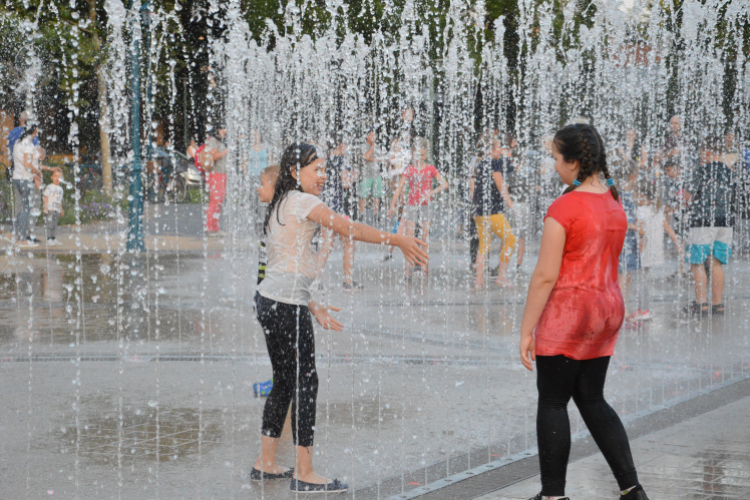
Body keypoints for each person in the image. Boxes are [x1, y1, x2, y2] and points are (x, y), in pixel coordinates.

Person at [253, 143, 427, 493]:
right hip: (285, 306)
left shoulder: (281, 205)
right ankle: (305, 471)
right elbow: (349, 229)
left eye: (323, 169)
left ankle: (266, 462)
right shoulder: (302, 202)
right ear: (294, 173)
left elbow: (282, 267)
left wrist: (311, 303)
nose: (323, 175)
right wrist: (396, 240)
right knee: (305, 381)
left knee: (284, 381)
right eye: (316, 169)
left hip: (270, 301)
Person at [520, 123, 649, 500]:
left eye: (556, 159)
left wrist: (527, 330)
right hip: (607, 309)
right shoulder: (613, 200)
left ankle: (553, 496)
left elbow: (545, 275)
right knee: (592, 398)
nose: (554, 165)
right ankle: (632, 489)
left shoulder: (564, 207)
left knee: (554, 400)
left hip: (570, 311)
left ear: (574, 162)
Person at [683, 135, 736, 315]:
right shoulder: (730, 172)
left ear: (706, 152)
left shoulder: (701, 171)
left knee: (697, 262)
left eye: (701, 153)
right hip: (725, 222)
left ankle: (701, 304)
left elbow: (687, 197)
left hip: (703, 221)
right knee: (716, 262)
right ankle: (717, 304)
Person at [388, 137, 447, 277]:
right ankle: (408, 268)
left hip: (426, 206)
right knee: (409, 238)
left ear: (424, 156)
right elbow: (399, 188)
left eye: (421, 155)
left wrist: (431, 192)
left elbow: (445, 184)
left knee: (424, 238)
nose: (418, 157)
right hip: (411, 206)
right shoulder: (409, 170)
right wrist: (392, 205)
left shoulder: (430, 169)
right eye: (416, 155)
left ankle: (423, 268)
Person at [470, 132, 516, 289]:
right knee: (510, 239)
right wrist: (510, 204)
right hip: (492, 211)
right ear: (491, 149)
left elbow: (475, 187)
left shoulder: (480, 163)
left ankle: (479, 282)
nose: (501, 151)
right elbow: (500, 184)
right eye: (499, 148)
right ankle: (502, 277)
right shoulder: (494, 163)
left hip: (479, 211)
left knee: (483, 245)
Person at [319, 139, 361, 291]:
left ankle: (315, 280)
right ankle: (348, 282)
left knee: (327, 244)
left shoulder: (325, 161)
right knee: (349, 242)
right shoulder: (341, 161)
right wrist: (355, 175)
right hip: (339, 210)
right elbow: (346, 183)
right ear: (341, 145)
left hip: (325, 207)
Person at [252, 164, 280, 398]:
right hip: (266, 287)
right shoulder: (272, 212)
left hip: (275, 291)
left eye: (263, 184)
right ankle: (279, 378)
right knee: (274, 339)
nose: (258, 188)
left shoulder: (280, 216)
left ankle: (281, 382)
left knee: (279, 340)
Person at [11, 125, 42, 247]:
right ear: (34, 130)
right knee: (26, 208)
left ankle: (13, 233)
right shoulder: (28, 145)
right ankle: (22, 238)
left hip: (17, 178)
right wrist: (37, 172)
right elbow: (27, 164)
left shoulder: (18, 142)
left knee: (24, 208)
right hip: (25, 179)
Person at [205, 127, 229, 236]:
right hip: (216, 174)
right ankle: (209, 227)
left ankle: (216, 227)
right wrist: (226, 151)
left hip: (223, 174)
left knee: (219, 200)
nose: (225, 131)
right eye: (223, 129)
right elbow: (213, 156)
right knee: (214, 200)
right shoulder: (212, 140)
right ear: (217, 129)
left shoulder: (221, 141)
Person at [358, 129, 383, 219]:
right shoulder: (363, 146)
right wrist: (372, 147)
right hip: (366, 174)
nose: (374, 138)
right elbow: (366, 157)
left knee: (377, 195)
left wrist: (373, 158)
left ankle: (376, 214)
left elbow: (380, 158)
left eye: (374, 136)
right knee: (363, 195)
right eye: (372, 136)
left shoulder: (378, 147)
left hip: (376, 174)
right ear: (367, 136)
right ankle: (361, 213)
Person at [43, 168, 64, 246]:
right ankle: (48, 239)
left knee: (54, 225)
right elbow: (46, 198)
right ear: (51, 177)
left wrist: (61, 210)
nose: (57, 178)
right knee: (49, 225)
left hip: (57, 210)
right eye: (55, 176)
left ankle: (53, 238)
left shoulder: (61, 189)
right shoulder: (49, 187)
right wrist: (45, 208)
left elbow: (60, 200)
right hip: (50, 209)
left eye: (59, 177)